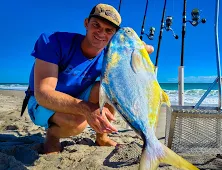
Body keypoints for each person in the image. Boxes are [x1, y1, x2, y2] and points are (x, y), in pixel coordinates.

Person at [23, 3, 154, 154]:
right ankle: (52, 135)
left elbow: (147, 50)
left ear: (114, 35)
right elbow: (43, 94)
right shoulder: (53, 42)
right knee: (77, 123)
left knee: (109, 87)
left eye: (108, 30)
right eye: (96, 25)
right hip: (41, 102)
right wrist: (87, 109)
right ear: (86, 23)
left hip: (77, 96)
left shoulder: (110, 56)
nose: (101, 33)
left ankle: (102, 138)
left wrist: (139, 47)